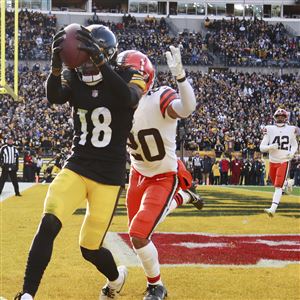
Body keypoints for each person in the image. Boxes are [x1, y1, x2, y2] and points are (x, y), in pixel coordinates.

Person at [15, 24, 146, 300]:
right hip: (78, 164)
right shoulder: (74, 77)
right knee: (49, 221)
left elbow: (128, 99)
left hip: (108, 177)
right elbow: (54, 97)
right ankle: (27, 295)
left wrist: (99, 63)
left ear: (104, 55)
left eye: (90, 60)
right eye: (82, 60)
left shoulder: (129, 75)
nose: (84, 68)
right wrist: (54, 67)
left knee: (89, 248)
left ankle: (116, 277)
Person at [120, 47, 203, 300]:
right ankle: (184, 197)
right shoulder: (115, 104)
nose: (120, 81)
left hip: (164, 175)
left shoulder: (158, 98)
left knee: (139, 233)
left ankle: (157, 286)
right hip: (137, 174)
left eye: (126, 75)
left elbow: (187, 107)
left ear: (143, 77)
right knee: (138, 239)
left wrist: (181, 77)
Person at [260, 108, 298, 217]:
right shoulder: (269, 129)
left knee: (278, 186)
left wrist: (292, 153)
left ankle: (273, 208)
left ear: (286, 118)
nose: (280, 118)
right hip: (272, 161)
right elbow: (262, 147)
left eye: (282, 116)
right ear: (275, 117)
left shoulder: (291, 129)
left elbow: (294, 144)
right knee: (275, 182)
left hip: (283, 161)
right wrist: (270, 146)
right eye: (278, 116)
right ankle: (288, 183)